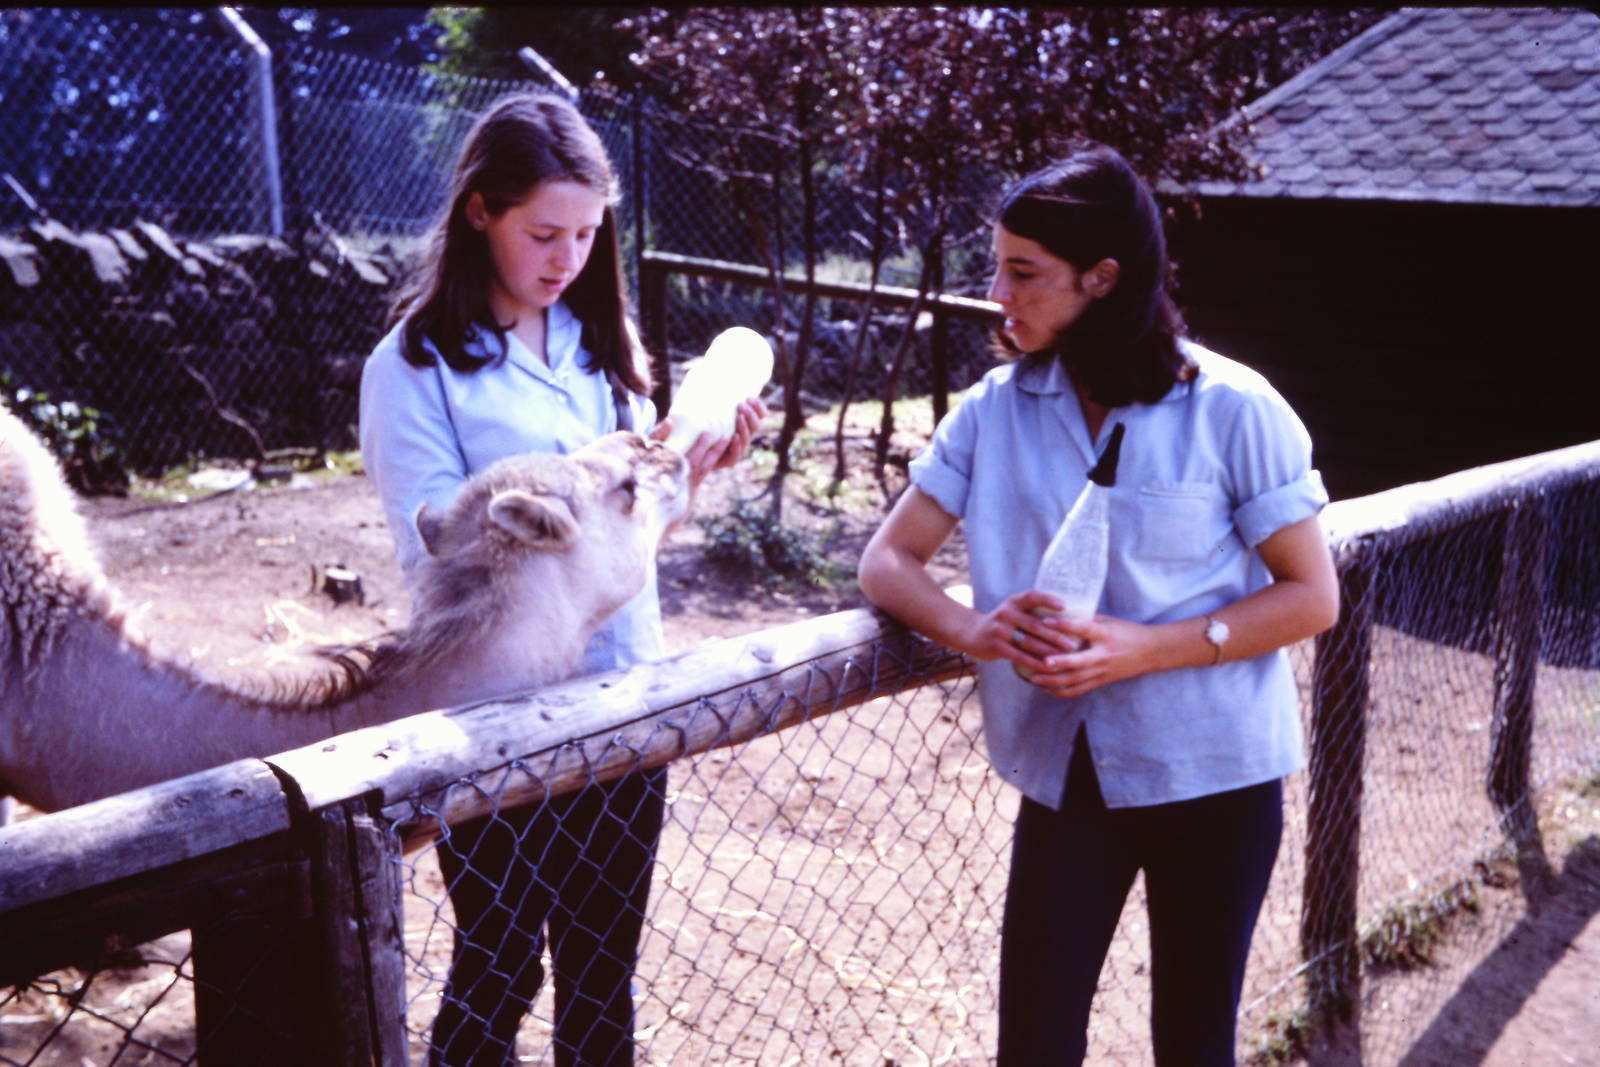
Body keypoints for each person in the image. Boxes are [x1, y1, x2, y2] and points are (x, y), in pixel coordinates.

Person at [856, 143, 1340, 1066]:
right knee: (1033, 1044)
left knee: (1191, 1044)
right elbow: (888, 562)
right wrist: (971, 628)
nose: (997, 290)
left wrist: (1144, 648)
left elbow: (1313, 597)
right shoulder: (991, 409)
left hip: (1217, 775)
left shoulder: (1236, 408)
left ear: (1103, 278)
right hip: (1067, 772)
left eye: (1024, 272)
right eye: (997, 264)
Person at [359, 91, 764, 1067]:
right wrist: (566, 511)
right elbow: (437, 556)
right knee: (497, 963)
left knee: (602, 971)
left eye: (587, 234)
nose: (567, 258)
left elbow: (635, 533)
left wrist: (694, 468)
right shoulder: (411, 367)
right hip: (500, 714)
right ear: (479, 213)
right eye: (544, 232)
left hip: (626, 694)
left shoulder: (601, 344)